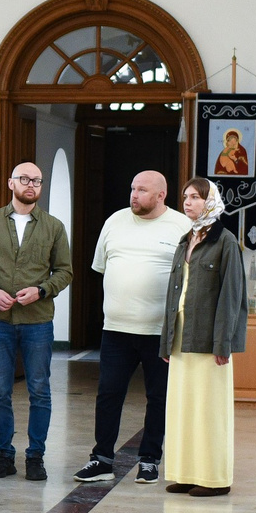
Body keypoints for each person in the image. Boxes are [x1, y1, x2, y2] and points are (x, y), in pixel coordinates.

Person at [75, 171, 187, 485]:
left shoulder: (181, 226)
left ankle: (149, 460)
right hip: (116, 329)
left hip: (160, 332)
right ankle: (101, 459)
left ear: (162, 195)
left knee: (159, 397)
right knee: (108, 393)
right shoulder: (115, 222)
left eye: (142, 189)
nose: (134, 195)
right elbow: (101, 267)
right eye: (132, 188)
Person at [0, 161, 73, 481]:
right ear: (11, 183)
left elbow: (65, 271)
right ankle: (4, 455)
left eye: (37, 181)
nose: (31, 185)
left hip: (37, 320)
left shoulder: (53, 227)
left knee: (39, 389)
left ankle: (36, 456)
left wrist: (41, 290)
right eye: (24, 179)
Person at [158, 178, 246, 495]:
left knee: (210, 411)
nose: (188, 202)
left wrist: (223, 343)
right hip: (182, 335)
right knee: (183, 407)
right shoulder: (185, 240)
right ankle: (186, 472)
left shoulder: (225, 242)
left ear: (210, 202)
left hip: (209, 340)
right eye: (185, 197)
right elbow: (173, 293)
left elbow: (231, 296)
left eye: (196, 197)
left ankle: (214, 478)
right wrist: (166, 340)